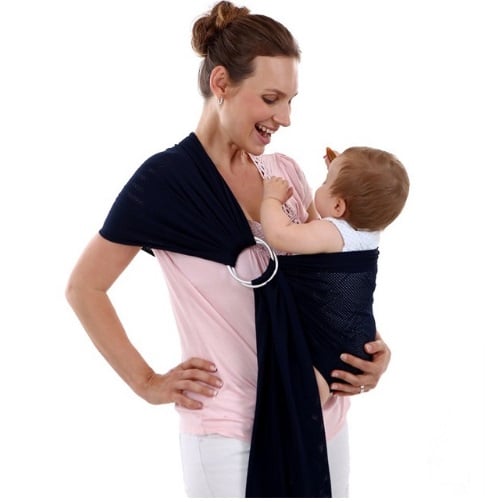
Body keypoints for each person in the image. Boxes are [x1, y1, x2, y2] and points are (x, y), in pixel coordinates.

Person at [65, 1, 392, 497]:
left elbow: (324, 280)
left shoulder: (284, 173)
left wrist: (369, 348)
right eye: (271, 98)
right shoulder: (165, 184)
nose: (285, 117)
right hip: (228, 430)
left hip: (320, 417)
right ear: (221, 83)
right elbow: (85, 288)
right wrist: (146, 382)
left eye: (290, 100)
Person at [260, 146, 409, 404]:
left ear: (338, 205)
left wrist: (271, 199)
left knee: (301, 398)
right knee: (316, 398)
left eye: (326, 181)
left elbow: (280, 235)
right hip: (357, 342)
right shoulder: (367, 236)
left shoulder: (332, 233)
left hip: (325, 344)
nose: (322, 183)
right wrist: (342, 177)